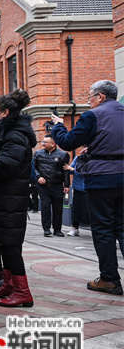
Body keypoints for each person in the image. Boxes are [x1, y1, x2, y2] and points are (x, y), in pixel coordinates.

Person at [51, 79, 124, 295]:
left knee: (103, 229)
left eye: (90, 97)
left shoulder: (93, 115)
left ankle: (109, 279)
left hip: (102, 178)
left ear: (100, 96)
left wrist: (58, 125)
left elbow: (68, 141)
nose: (89, 101)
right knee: (122, 227)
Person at [0, 89, 37, 308]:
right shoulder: (6, 131)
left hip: (10, 198)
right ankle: (8, 284)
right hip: (2, 196)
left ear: (5, 112)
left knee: (10, 245)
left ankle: (23, 292)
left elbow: (6, 166)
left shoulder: (15, 135)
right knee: (1, 241)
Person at [33, 136, 70, 237]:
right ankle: (46, 229)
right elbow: (34, 167)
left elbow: (65, 170)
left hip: (57, 185)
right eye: (42, 141)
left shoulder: (63, 154)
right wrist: (39, 177)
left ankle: (57, 229)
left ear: (53, 144)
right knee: (45, 207)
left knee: (58, 208)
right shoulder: (38, 153)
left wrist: (66, 185)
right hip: (43, 186)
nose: (42, 143)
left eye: (45, 142)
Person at [65, 147, 89, 237]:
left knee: (91, 210)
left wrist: (72, 169)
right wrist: (70, 169)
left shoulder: (95, 159)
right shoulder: (78, 158)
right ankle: (75, 228)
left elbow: (86, 172)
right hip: (78, 188)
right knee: (76, 209)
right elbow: (70, 169)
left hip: (89, 188)